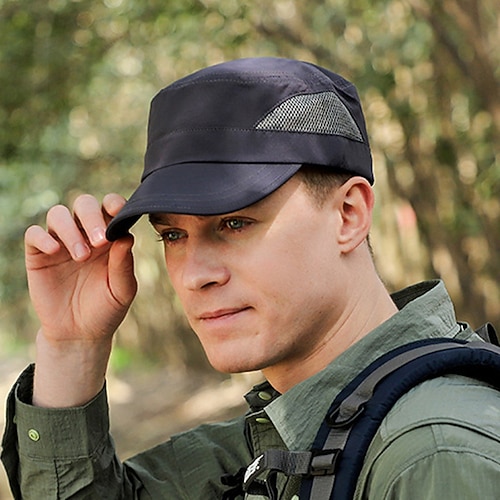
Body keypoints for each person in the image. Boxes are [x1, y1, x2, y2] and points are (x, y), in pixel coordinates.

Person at [2, 57, 500, 499]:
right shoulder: (307, 425)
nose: (195, 275)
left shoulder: (432, 452)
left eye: (235, 223)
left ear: (348, 215)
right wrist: (72, 347)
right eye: (173, 235)